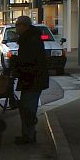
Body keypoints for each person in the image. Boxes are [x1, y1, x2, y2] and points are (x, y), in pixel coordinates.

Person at [10, 15, 49, 144]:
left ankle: (29, 135)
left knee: (27, 108)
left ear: (24, 26)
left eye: (17, 25)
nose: (16, 28)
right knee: (27, 107)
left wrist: (15, 65)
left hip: (32, 79)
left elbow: (28, 61)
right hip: (33, 79)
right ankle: (28, 134)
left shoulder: (30, 40)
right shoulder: (31, 38)